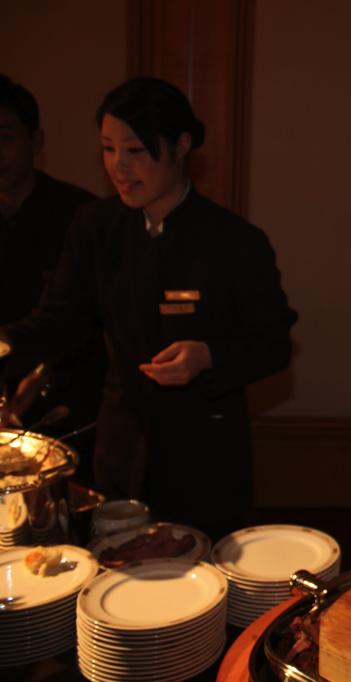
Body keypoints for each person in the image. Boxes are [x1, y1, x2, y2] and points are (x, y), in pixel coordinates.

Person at [0, 77, 298, 540]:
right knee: (117, 562)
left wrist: (209, 356)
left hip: (204, 454)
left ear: (181, 145)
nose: (119, 167)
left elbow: (274, 344)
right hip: (120, 444)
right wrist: (6, 341)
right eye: (108, 149)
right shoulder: (96, 226)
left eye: (135, 150)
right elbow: (60, 321)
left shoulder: (233, 241)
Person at [0, 74, 104, 477]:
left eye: (5, 138)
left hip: (69, 406)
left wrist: (44, 372)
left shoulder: (81, 215)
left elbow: (94, 319)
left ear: (36, 142)